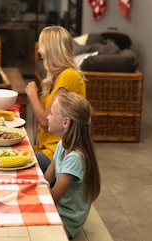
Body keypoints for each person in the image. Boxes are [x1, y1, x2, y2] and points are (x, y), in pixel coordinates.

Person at [26, 25, 85, 172]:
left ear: (51, 49)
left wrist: (32, 95)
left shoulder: (69, 76)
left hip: (57, 154)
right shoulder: (56, 77)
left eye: (42, 47)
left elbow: (45, 121)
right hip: (48, 149)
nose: (39, 52)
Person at [44, 92, 101, 239]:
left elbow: (53, 198)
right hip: (58, 210)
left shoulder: (75, 159)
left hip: (67, 221)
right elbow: (46, 179)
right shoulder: (62, 145)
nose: (47, 117)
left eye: (51, 114)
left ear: (66, 122)